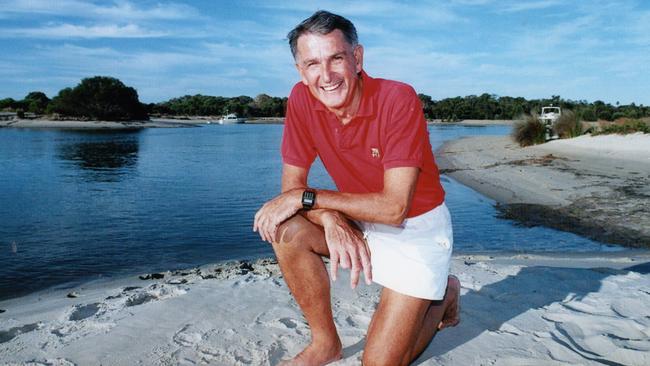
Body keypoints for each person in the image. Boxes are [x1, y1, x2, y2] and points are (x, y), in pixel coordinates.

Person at [253, 10, 460, 366]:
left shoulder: (397, 98)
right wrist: (331, 219)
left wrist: (312, 200)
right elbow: (292, 191)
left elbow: (395, 208)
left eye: (336, 58)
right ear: (301, 71)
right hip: (360, 220)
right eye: (313, 63)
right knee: (284, 229)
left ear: (357, 58)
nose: (326, 75)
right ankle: (325, 343)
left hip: (416, 227)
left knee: (378, 364)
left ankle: (443, 295)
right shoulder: (302, 99)